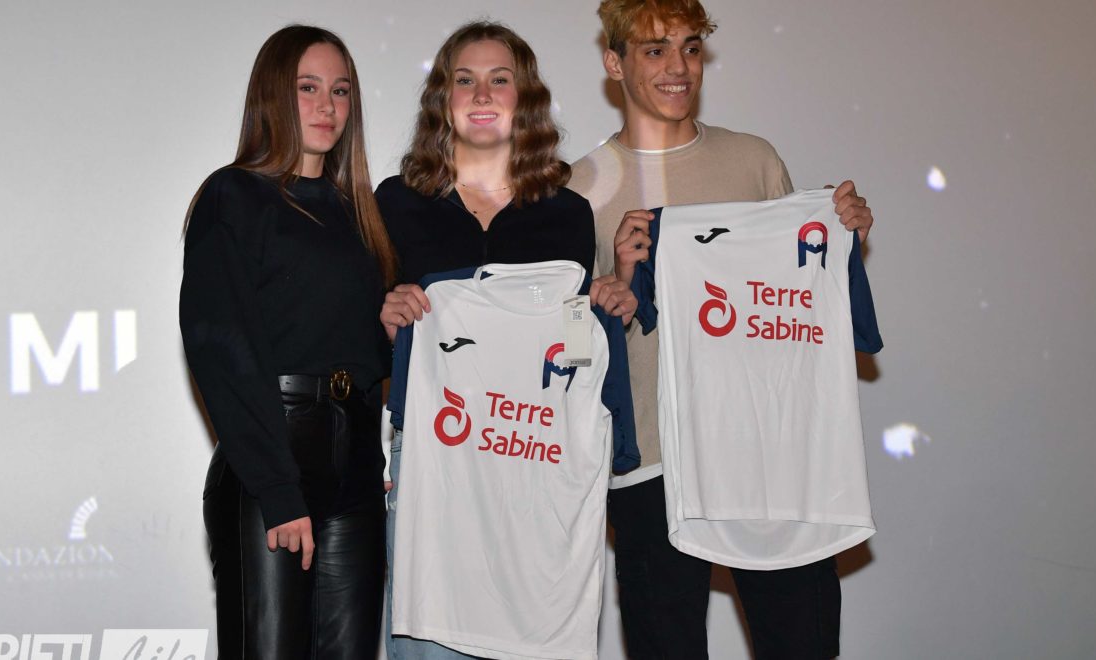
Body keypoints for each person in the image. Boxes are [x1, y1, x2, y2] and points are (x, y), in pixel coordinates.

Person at [567, 1, 876, 658]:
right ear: (614, 63)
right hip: (653, 461)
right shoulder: (579, 188)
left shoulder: (754, 161)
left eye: (690, 47)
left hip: (766, 453)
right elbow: (566, 352)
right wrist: (617, 283)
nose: (678, 67)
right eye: (655, 50)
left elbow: (798, 300)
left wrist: (840, 235)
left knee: (802, 643)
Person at [376, 20, 632, 660]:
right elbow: (367, 337)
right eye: (465, 80)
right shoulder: (396, 204)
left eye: (499, 79)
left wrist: (602, 309)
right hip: (435, 454)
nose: (482, 94)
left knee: (532, 633)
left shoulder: (567, 214)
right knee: (430, 639)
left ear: (527, 100)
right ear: (443, 97)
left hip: (531, 456)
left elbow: (571, 350)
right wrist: (384, 318)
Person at [179, 25, 396, 659]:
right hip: (272, 462)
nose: (327, 106)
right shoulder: (233, 195)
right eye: (308, 88)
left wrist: (392, 330)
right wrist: (277, 489)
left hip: (356, 471)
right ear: (273, 94)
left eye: (340, 90)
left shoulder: (360, 212)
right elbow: (223, 349)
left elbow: (355, 351)